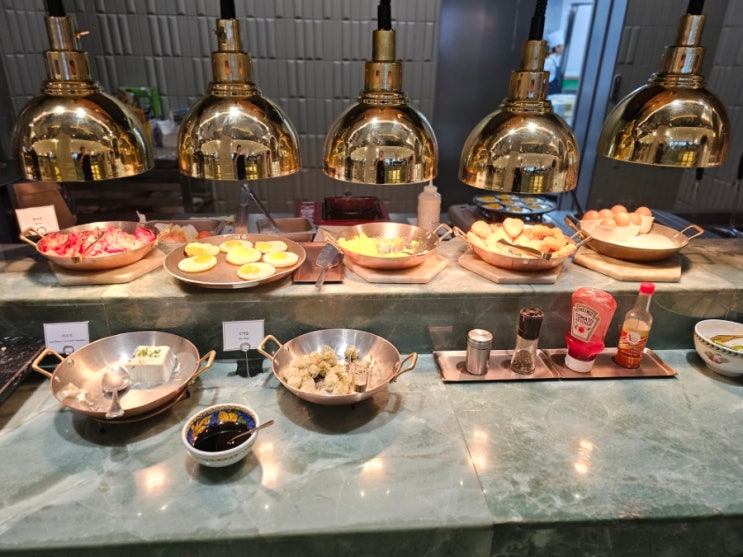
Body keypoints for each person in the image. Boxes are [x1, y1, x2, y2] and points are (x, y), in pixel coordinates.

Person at [544, 30, 564, 96]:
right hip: (549, 90)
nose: (563, 48)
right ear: (556, 48)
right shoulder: (549, 61)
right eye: (562, 46)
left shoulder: (556, 60)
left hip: (554, 92)